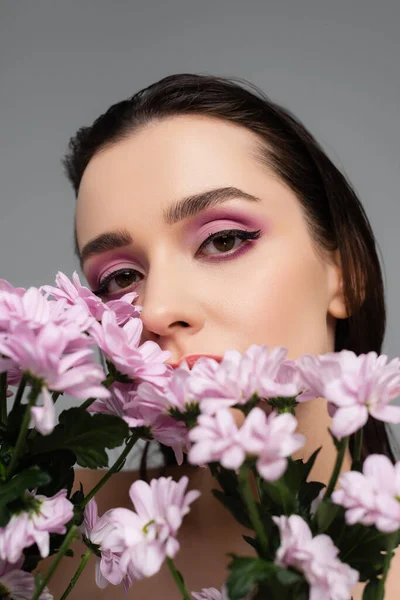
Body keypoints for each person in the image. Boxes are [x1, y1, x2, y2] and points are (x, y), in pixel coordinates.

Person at [49, 73, 398, 598]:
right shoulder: (47, 537)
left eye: (223, 240)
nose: (159, 310)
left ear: (346, 271)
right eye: (121, 278)